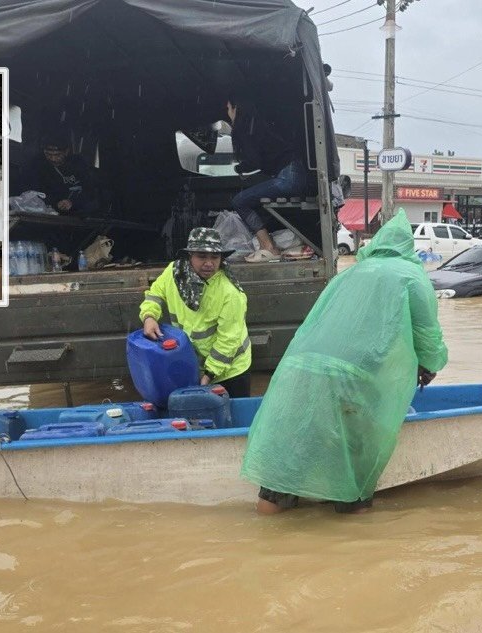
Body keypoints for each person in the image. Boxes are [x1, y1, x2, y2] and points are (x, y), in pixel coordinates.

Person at [240, 212, 448, 514]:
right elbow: (428, 339)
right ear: (408, 248)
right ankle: (351, 531)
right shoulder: (412, 277)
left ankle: (268, 522)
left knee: (284, 469)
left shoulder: (349, 274)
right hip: (353, 380)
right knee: (354, 473)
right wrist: (430, 366)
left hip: (298, 369)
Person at [139, 227, 252, 398]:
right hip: (193, 365)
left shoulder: (230, 293)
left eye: (215, 257)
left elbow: (228, 341)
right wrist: (149, 316)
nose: (209, 263)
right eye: (202, 256)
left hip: (231, 371)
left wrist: (208, 375)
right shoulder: (174, 272)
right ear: (189, 256)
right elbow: (156, 293)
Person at [226, 97, 309, 263]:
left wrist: (240, 168)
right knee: (253, 200)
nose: (227, 112)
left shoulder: (247, 128)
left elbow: (254, 161)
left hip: (288, 177)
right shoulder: (258, 125)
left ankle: (268, 247)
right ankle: (268, 244)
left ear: (236, 109)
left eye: (229, 108)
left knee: (239, 201)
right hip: (293, 175)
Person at [29, 131, 100, 215]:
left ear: (66, 151)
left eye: (57, 155)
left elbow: (90, 190)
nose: (53, 159)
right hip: (52, 211)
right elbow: (36, 192)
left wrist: (73, 203)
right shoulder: (39, 166)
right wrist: (56, 203)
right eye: (48, 154)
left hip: (79, 211)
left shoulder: (79, 163)